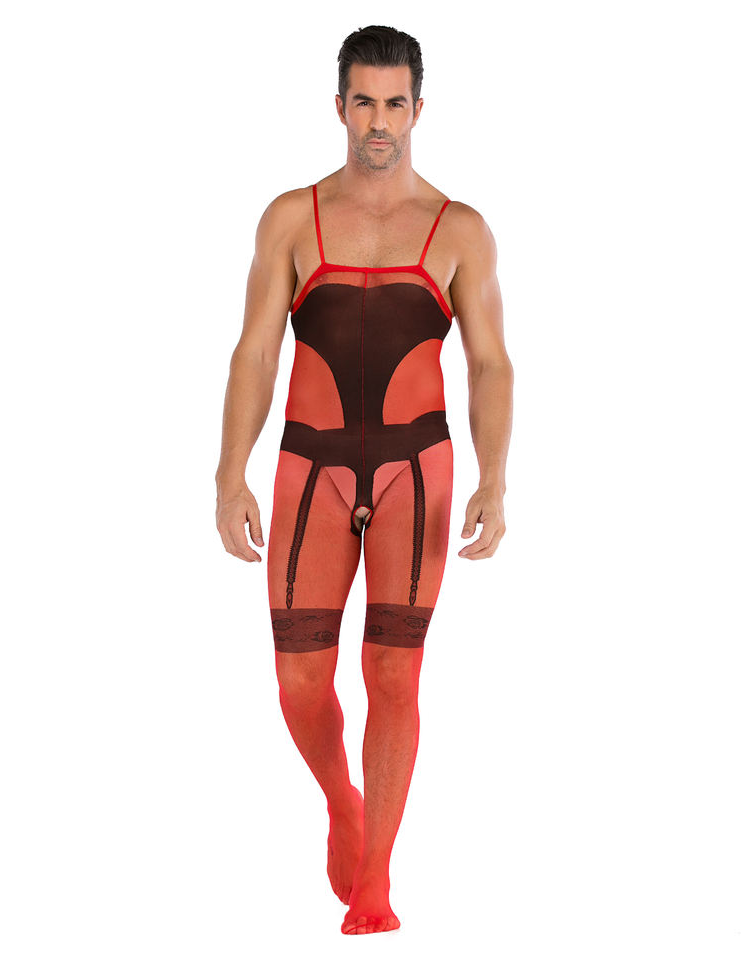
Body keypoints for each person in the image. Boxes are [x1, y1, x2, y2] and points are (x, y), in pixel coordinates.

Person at [215, 25, 513, 935]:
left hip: (416, 471)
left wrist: (494, 480)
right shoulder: (291, 218)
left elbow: (490, 363)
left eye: (394, 104)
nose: (379, 121)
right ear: (339, 106)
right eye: (364, 102)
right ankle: (342, 800)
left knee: (394, 674)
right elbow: (255, 352)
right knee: (300, 686)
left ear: (418, 109)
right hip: (309, 466)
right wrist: (230, 475)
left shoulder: (458, 229)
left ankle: (376, 876)